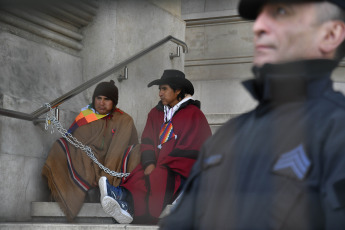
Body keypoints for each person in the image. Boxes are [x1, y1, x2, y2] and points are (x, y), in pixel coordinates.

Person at [159, 0, 345, 229]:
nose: (258, 27)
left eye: (281, 11)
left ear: (331, 34)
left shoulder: (338, 131)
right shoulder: (226, 136)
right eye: (259, 15)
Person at [98, 69, 212, 224]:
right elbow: (148, 141)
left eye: (164, 89)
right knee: (139, 172)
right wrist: (149, 162)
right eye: (160, 89)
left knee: (158, 176)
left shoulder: (194, 115)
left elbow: (196, 148)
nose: (160, 93)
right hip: (158, 166)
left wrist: (162, 165)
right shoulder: (155, 113)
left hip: (181, 172)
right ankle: (121, 196)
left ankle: (126, 203)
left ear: (178, 90)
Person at [42, 80, 141, 221]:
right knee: (62, 146)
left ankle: (109, 188)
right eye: (98, 98)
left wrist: (104, 172)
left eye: (107, 99)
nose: (102, 103)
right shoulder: (86, 117)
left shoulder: (124, 120)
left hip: (114, 161)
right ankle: (73, 190)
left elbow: (126, 145)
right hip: (89, 160)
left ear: (114, 102)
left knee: (135, 152)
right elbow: (76, 142)